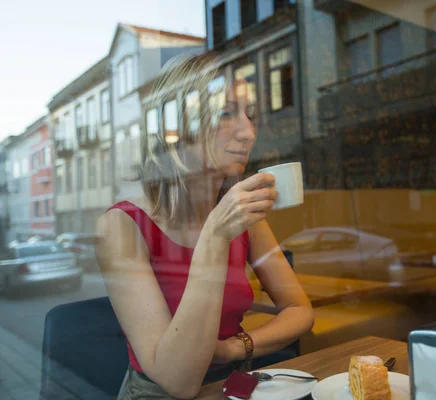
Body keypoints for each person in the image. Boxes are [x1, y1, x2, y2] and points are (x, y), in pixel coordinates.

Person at [95, 54, 314, 399]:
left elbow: (300, 311)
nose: (248, 132)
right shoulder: (121, 226)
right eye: (226, 112)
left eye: (250, 115)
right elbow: (177, 382)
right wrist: (215, 236)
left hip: (234, 383)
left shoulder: (242, 220)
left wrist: (234, 349)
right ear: (176, 127)